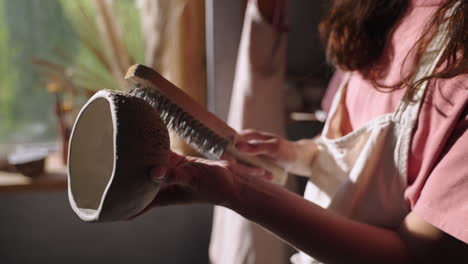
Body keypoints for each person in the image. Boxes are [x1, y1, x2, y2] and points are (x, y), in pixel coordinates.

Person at [143, 0, 468, 263]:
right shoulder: (378, 12)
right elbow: (350, 146)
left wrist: (237, 193)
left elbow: (413, 255)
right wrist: (297, 154)